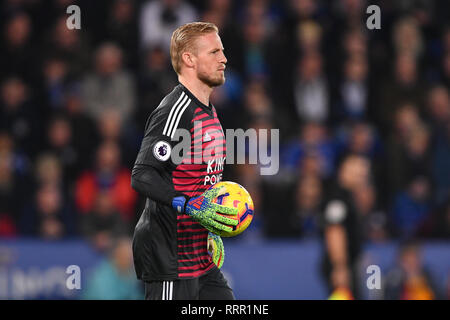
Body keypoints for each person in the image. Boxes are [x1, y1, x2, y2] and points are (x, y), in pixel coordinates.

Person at [131, 22, 238, 300]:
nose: (224, 59)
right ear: (189, 59)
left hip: (200, 257)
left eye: (222, 51)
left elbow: (198, 180)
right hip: (170, 257)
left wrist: (209, 229)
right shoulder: (177, 111)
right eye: (214, 52)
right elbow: (143, 174)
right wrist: (188, 205)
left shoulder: (209, 111)